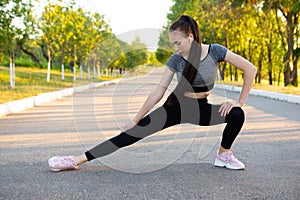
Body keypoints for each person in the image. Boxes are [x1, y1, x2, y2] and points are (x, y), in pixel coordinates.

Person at [48, 15, 257, 171]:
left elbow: (250, 69)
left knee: (237, 115)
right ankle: (76, 159)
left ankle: (223, 154)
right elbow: (159, 91)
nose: (175, 48)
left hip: (200, 108)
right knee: (128, 136)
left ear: (191, 38)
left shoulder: (215, 51)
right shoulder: (176, 60)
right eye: (172, 44)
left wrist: (239, 102)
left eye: (178, 43)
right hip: (175, 107)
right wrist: (136, 119)